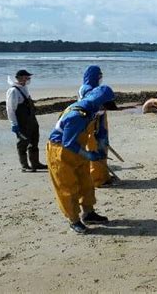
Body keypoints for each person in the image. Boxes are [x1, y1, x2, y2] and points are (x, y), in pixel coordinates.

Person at [46, 85, 117, 234]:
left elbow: (97, 129)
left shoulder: (92, 110)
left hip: (78, 149)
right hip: (60, 152)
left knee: (86, 182)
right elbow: (68, 142)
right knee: (67, 187)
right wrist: (89, 155)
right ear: (99, 102)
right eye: (105, 106)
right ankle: (74, 220)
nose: (105, 110)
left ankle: (89, 213)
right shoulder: (77, 115)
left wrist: (102, 141)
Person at [78, 65, 116, 187]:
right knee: (96, 149)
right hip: (94, 125)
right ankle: (97, 179)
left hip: (100, 123)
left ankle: (104, 175)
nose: (100, 78)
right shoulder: (87, 89)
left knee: (103, 148)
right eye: (99, 75)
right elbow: (90, 106)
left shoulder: (94, 87)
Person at [6, 69, 47, 172]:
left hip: (32, 120)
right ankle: (25, 165)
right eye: (26, 77)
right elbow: (10, 109)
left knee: (34, 140)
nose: (28, 79)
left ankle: (35, 163)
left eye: (28, 77)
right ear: (19, 78)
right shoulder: (13, 91)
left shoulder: (24, 88)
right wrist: (14, 124)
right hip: (22, 122)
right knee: (23, 143)